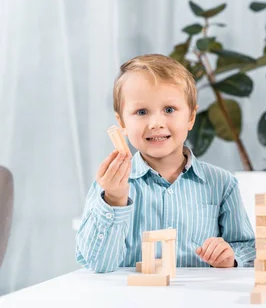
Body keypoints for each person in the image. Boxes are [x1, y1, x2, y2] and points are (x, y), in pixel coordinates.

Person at [76, 54, 255, 272]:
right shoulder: (109, 187)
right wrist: (114, 199)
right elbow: (98, 264)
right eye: (141, 112)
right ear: (121, 122)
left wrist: (230, 257)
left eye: (169, 110)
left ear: (191, 117)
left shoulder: (222, 183)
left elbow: (247, 248)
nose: (156, 123)